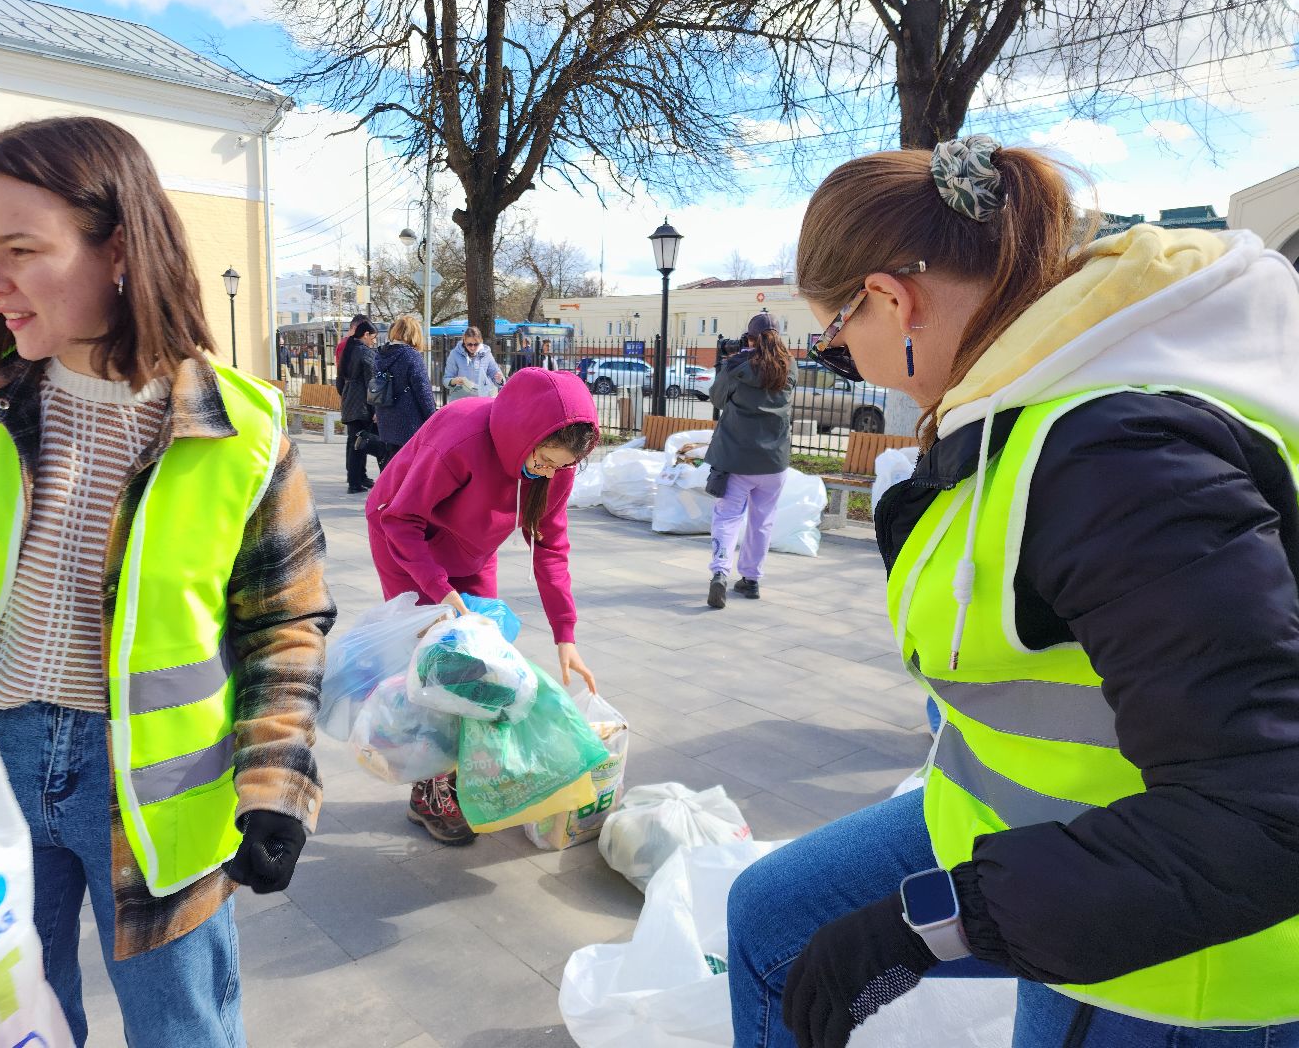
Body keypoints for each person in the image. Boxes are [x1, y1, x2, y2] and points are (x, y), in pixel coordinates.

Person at [727, 134, 1299, 1047]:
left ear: (891, 299)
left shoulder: (1120, 461)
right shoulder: (1028, 397)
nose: (848, 364)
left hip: (1170, 957)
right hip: (1024, 828)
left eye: (836, 341)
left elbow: (1265, 809)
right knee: (772, 919)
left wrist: (936, 924)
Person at [0, 116, 336, 1048]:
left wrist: (277, 782)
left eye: (21, 250)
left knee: (182, 1028)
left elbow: (287, 624)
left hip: (156, 793)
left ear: (118, 249)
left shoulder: (241, 433)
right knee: (8, 1021)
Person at [365, 367, 602, 845]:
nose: (549, 473)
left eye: (560, 467)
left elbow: (550, 548)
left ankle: (466, 778)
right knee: (443, 669)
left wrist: (566, 634)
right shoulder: (460, 438)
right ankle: (430, 794)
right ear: (523, 436)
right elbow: (401, 520)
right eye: (544, 461)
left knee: (487, 666)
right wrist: (440, 592)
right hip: (410, 545)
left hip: (472, 549)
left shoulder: (554, 470)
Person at [703, 312, 795, 609]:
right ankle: (751, 579)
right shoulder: (789, 366)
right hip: (774, 462)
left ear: (750, 338)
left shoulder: (737, 366)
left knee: (727, 517)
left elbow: (717, 399)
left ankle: (720, 572)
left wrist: (726, 362)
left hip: (737, 459)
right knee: (762, 521)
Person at [373, 313, 436, 466]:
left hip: (386, 418)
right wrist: (433, 417)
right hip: (409, 422)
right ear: (415, 334)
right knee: (409, 467)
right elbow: (423, 391)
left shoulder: (380, 356)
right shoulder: (411, 356)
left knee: (392, 463)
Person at [340, 320, 379, 493]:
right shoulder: (365, 352)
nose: (374, 341)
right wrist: (375, 408)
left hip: (349, 400)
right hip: (362, 403)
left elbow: (340, 379)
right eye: (373, 337)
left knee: (353, 442)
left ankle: (357, 478)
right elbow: (372, 382)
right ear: (366, 335)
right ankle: (355, 483)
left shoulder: (349, 349)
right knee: (360, 442)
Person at [443, 326, 505, 399]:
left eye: (476, 344)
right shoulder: (454, 354)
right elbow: (446, 380)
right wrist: (453, 381)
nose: (472, 348)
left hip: (480, 400)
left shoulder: (486, 354)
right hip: (460, 400)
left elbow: (498, 377)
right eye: (469, 344)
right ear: (464, 341)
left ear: (481, 341)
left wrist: (500, 380)